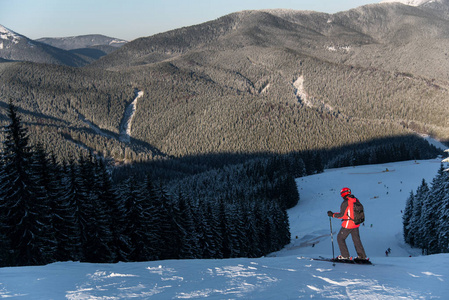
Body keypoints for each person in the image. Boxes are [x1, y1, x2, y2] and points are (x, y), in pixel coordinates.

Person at [327, 187, 367, 260]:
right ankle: (362, 257)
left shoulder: (346, 202)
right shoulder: (355, 199)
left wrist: (332, 215)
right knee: (356, 240)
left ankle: (345, 256)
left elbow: (342, 215)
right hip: (356, 223)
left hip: (348, 224)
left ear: (343, 194)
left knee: (340, 238)